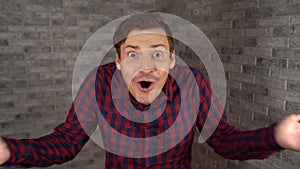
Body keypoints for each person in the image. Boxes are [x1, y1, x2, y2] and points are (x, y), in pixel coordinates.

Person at [0, 12, 300, 169]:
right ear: (118, 61)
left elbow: (224, 140)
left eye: (157, 53)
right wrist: (9, 151)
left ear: (171, 59)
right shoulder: (99, 82)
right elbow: (66, 143)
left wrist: (276, 136)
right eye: (133, 54)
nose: (145, 66)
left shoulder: (193, 84)